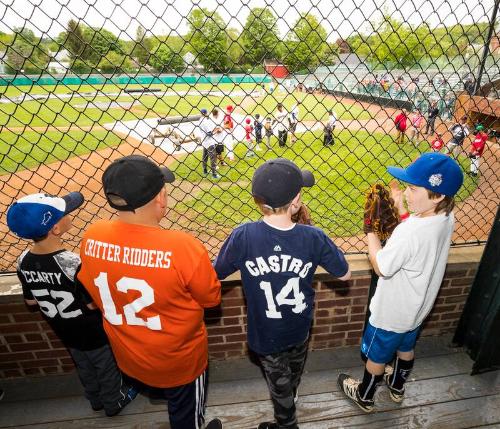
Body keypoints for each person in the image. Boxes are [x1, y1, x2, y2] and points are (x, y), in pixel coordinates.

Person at [77, 155, 223, 429]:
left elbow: (91, 291)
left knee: (159, 388)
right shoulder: (183, 247)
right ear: (162, 198)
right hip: (179, 362)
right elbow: (211, 298)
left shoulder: (92, 236)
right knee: (185, 412)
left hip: (129, 358)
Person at [214, 158, 351, 429]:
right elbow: (345, 272)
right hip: (299, 326)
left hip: (265, 333)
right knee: (292, 373)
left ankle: (287, 410)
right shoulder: (313, 237)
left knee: (280, 383)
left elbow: (216, 273)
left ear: (258, 201)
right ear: (297, 200)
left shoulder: (243, 236)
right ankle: (288, 419)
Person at [338, 152, 464, 413]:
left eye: (413, 188)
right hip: (418, 308)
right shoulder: (445, 217)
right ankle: (397, 386)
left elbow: (382, 266)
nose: (406, 192)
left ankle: (365, 395)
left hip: (391, 313)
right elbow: (416, 239)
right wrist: (403, 211)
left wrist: (370, 231)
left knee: (376, 356)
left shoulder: (409, 232)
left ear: (438, 195)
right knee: (406, 348)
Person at [6, 192, 136, 417]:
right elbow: (93, 305)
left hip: (64, 330)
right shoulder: (73, 263)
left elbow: (30, 300)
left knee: (84, 365)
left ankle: (95, 400)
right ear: (55, 228)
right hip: (92, 331)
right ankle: (113, 402)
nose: (70, 213)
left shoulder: (23, 261)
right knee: (106, 366)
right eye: (65, 212)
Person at [199, 108, 220, 180]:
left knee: (205, 156)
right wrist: (216, 131)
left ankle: (205, 170)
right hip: (209, 142)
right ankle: (214, 174)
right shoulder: (205, 121)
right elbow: (209, 134)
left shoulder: (200, 120)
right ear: (205, 113)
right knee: (213, 157)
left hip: (203, 141)